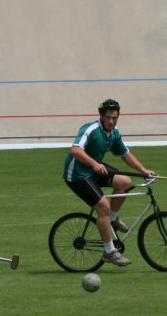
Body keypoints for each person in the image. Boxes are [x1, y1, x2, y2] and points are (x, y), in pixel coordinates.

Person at [63, 99, 154, 267]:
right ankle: (109, 251)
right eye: (108, 117)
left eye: (115, 118)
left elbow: (125, 155)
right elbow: (75, 150)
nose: (111, 121)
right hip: (77, 175)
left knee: (125, 182)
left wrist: (143, 170)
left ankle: (112, 219)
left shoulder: (114, 133)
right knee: (103, 207)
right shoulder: (90, 129)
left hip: (93, 170)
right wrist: (95, 164)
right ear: (101, 116)